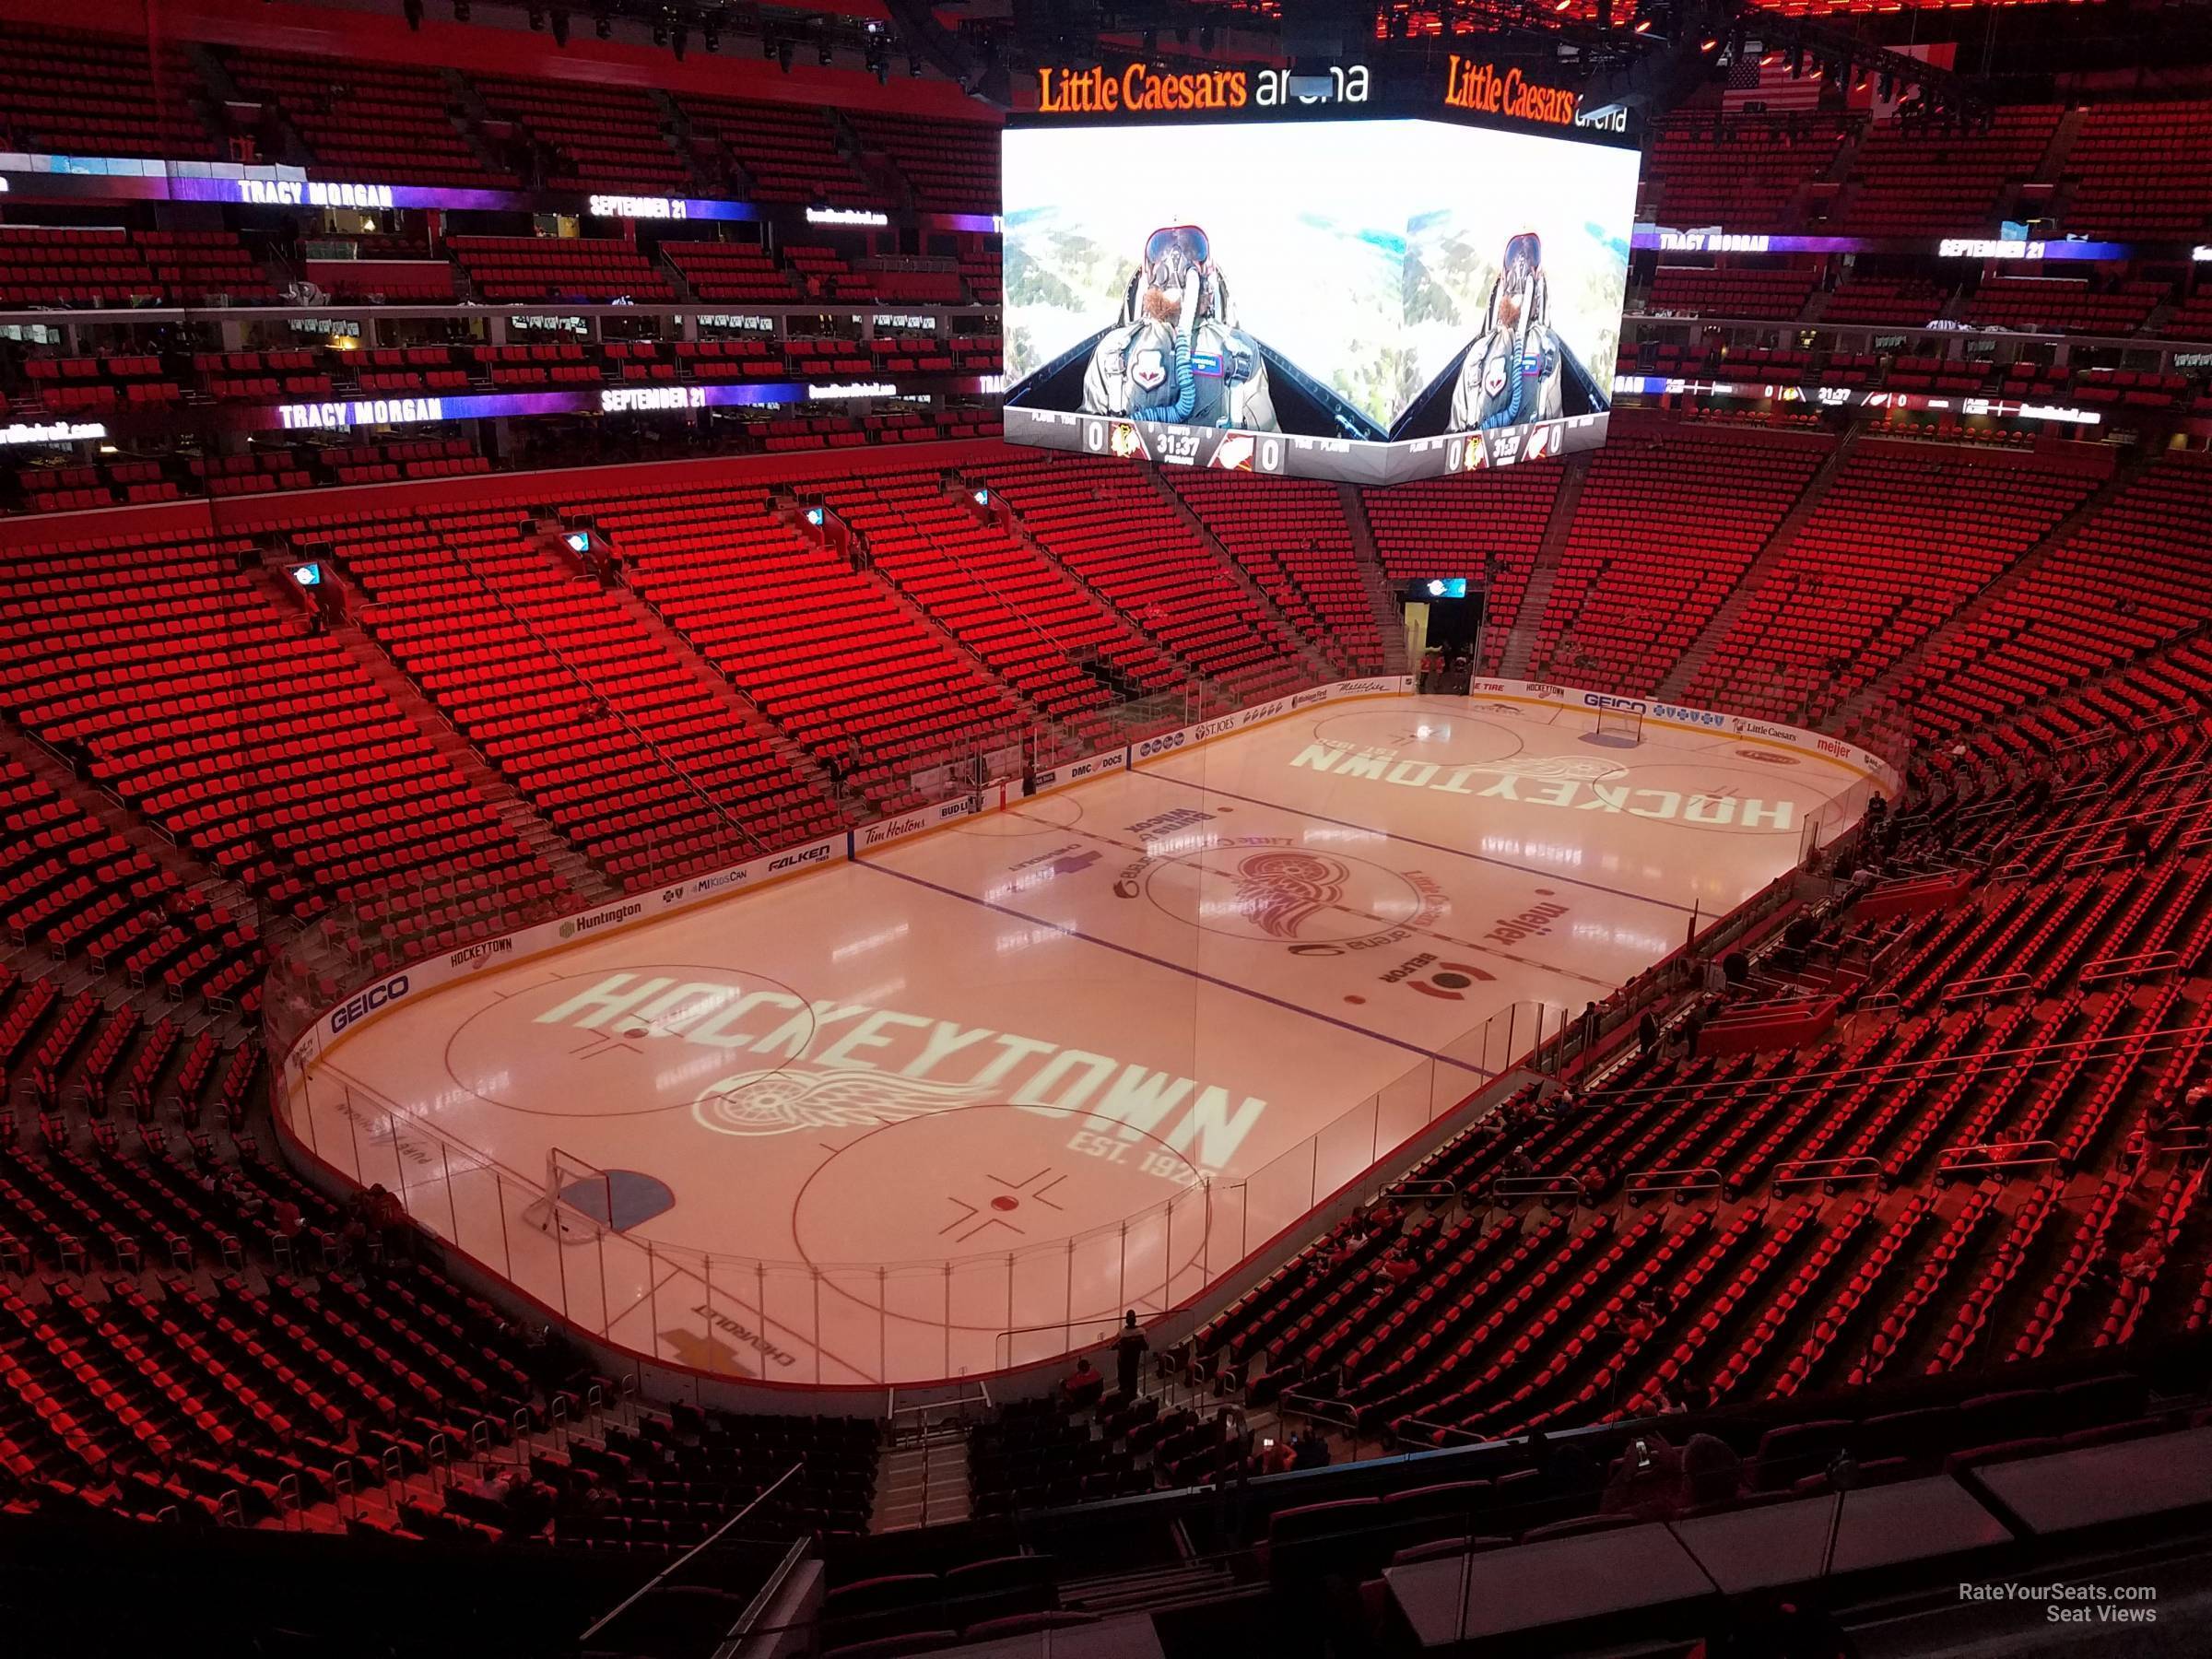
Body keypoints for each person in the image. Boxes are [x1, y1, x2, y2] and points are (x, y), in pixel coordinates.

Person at [1112, 1311, 1148, 1399]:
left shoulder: (1122, 1333)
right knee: (1133, 1377)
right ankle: (1132, 1395)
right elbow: (1146, 1347)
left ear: (1126, 1321)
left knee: (1124, 1378)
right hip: (1134, 1361)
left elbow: (1111, 1346)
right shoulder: (1141, 1332)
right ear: (1135, 1320)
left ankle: (1123, 1394)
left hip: (1123, 1362)